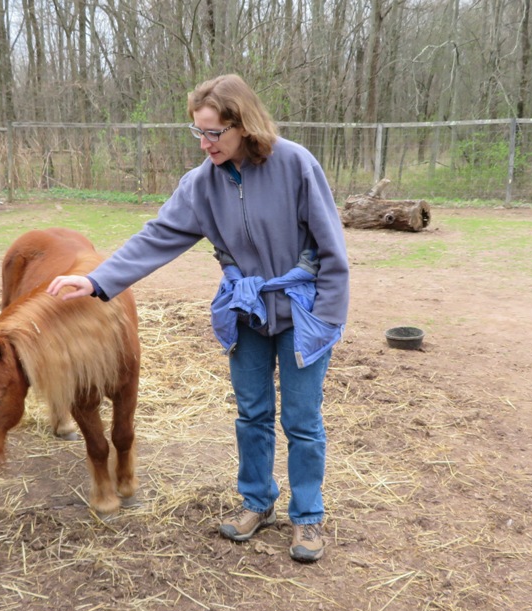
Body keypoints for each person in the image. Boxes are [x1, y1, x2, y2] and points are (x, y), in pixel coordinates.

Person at [47, 74, 349, 563]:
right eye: (199, 133)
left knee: (302, 420)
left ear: (243, 125)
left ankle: (308, 516)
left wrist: (328, 316)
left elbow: (332, 249)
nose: (206, 143)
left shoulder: (295, 164)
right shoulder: (201, 184)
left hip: (302, 311)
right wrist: (97, 281)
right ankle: (257, 502)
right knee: (251, 414)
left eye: (214, 133)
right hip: (246, 310)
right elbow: (157, 236)